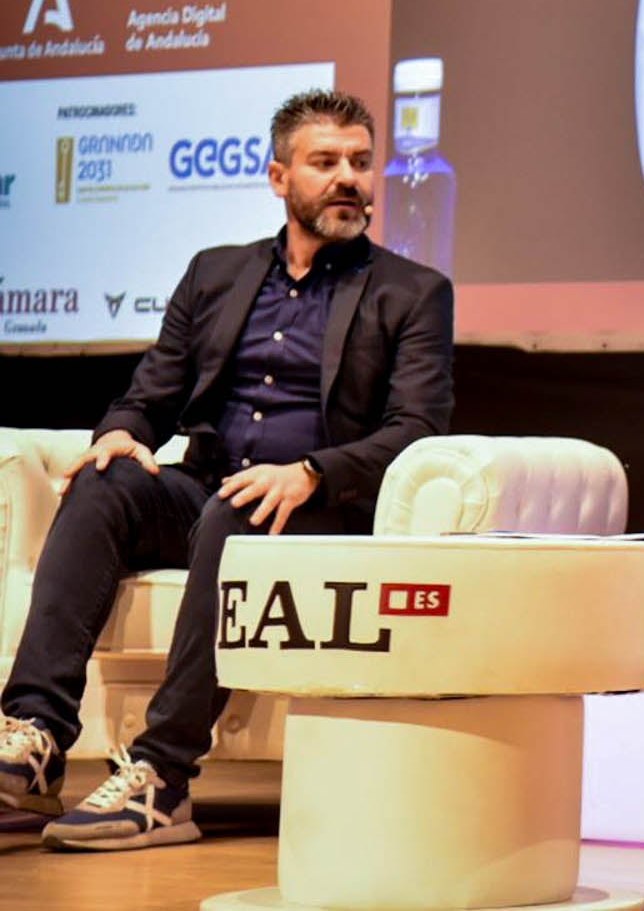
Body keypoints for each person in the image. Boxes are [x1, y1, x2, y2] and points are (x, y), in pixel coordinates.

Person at [0, 90, 454, 852]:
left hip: (318, 505)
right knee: (106, 480)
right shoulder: (217, 274)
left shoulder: (412, 293)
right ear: (279, 177)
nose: (350, 178)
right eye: (326, 162)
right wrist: (119, 432)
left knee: (239, 509)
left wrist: (310, 469)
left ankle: (163, 774)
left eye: (361, 162)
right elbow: (151, 395)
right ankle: (36, 734)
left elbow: (416, 430)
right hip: (206, 486)